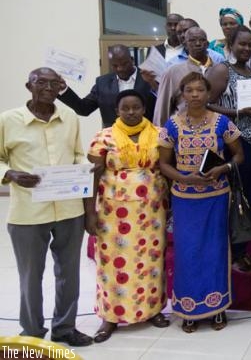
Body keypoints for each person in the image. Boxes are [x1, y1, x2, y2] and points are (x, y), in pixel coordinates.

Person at [0, 68, 93, 346]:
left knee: (69, 273)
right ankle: (32, 332)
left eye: (54, 83)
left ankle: (65, 328)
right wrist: (10, 174)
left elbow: (77, 154)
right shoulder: (8, 120)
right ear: (28, 86)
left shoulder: (70, 117)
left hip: (69, 209)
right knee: (30, 275)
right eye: (41, 82)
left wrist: (84, 169)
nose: (49, 88)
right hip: (28, 212)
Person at [157, 72, 244, 333]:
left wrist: (223, 168)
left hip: (216, 197)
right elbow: (163, 164)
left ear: (208, 93)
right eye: (189, 90)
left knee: (216, 250)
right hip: (185, 200)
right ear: (182, 94)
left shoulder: (222, 122)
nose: (195, 95)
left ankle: (217, 308)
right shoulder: (172, 125)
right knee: (188, 252)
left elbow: (239, 156)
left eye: (200, 90)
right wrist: (185, 178)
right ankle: (189, 309)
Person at [85, 90, 170, 343]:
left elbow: (166, 168)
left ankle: (152, 310)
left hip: (152, 210)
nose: (131, 112)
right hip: (114, 213)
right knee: (113, 264)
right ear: (117, 111)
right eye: (125, 108)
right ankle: (110, 317)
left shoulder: (159, 134)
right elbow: (91, 177)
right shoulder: (104, 137)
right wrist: (89, 213)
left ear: (144, 109)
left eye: (136, 107)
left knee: (151, 261)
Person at [206, 25, 251, 273]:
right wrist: (236, 112)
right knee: (237, 199)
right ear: (231, 45)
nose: (246, 48)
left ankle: (242, 250)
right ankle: (234, 253)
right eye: (242, 44)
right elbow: (207, 104)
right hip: (235, 143)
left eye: (250, 45)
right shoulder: (223, 70)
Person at [58, 44, 157, 128]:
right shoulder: (102, 83)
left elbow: (162, 105)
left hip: (146, 137)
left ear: (132, 60)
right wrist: (63, 90)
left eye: (124, 64)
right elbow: (83, 109)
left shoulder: (149, 78)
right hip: (112, 139)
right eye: (115, 65)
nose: (120, 69)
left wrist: (154, 85)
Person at [154, 27, 220, 126]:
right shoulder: (173, 72)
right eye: (192, 40)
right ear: (185, 44)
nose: (198, 44)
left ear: (207, 44)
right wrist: (160, 132)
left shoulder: (220, 69)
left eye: (202, 40)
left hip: (215, 128)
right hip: (183, 129)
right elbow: (162, 108)